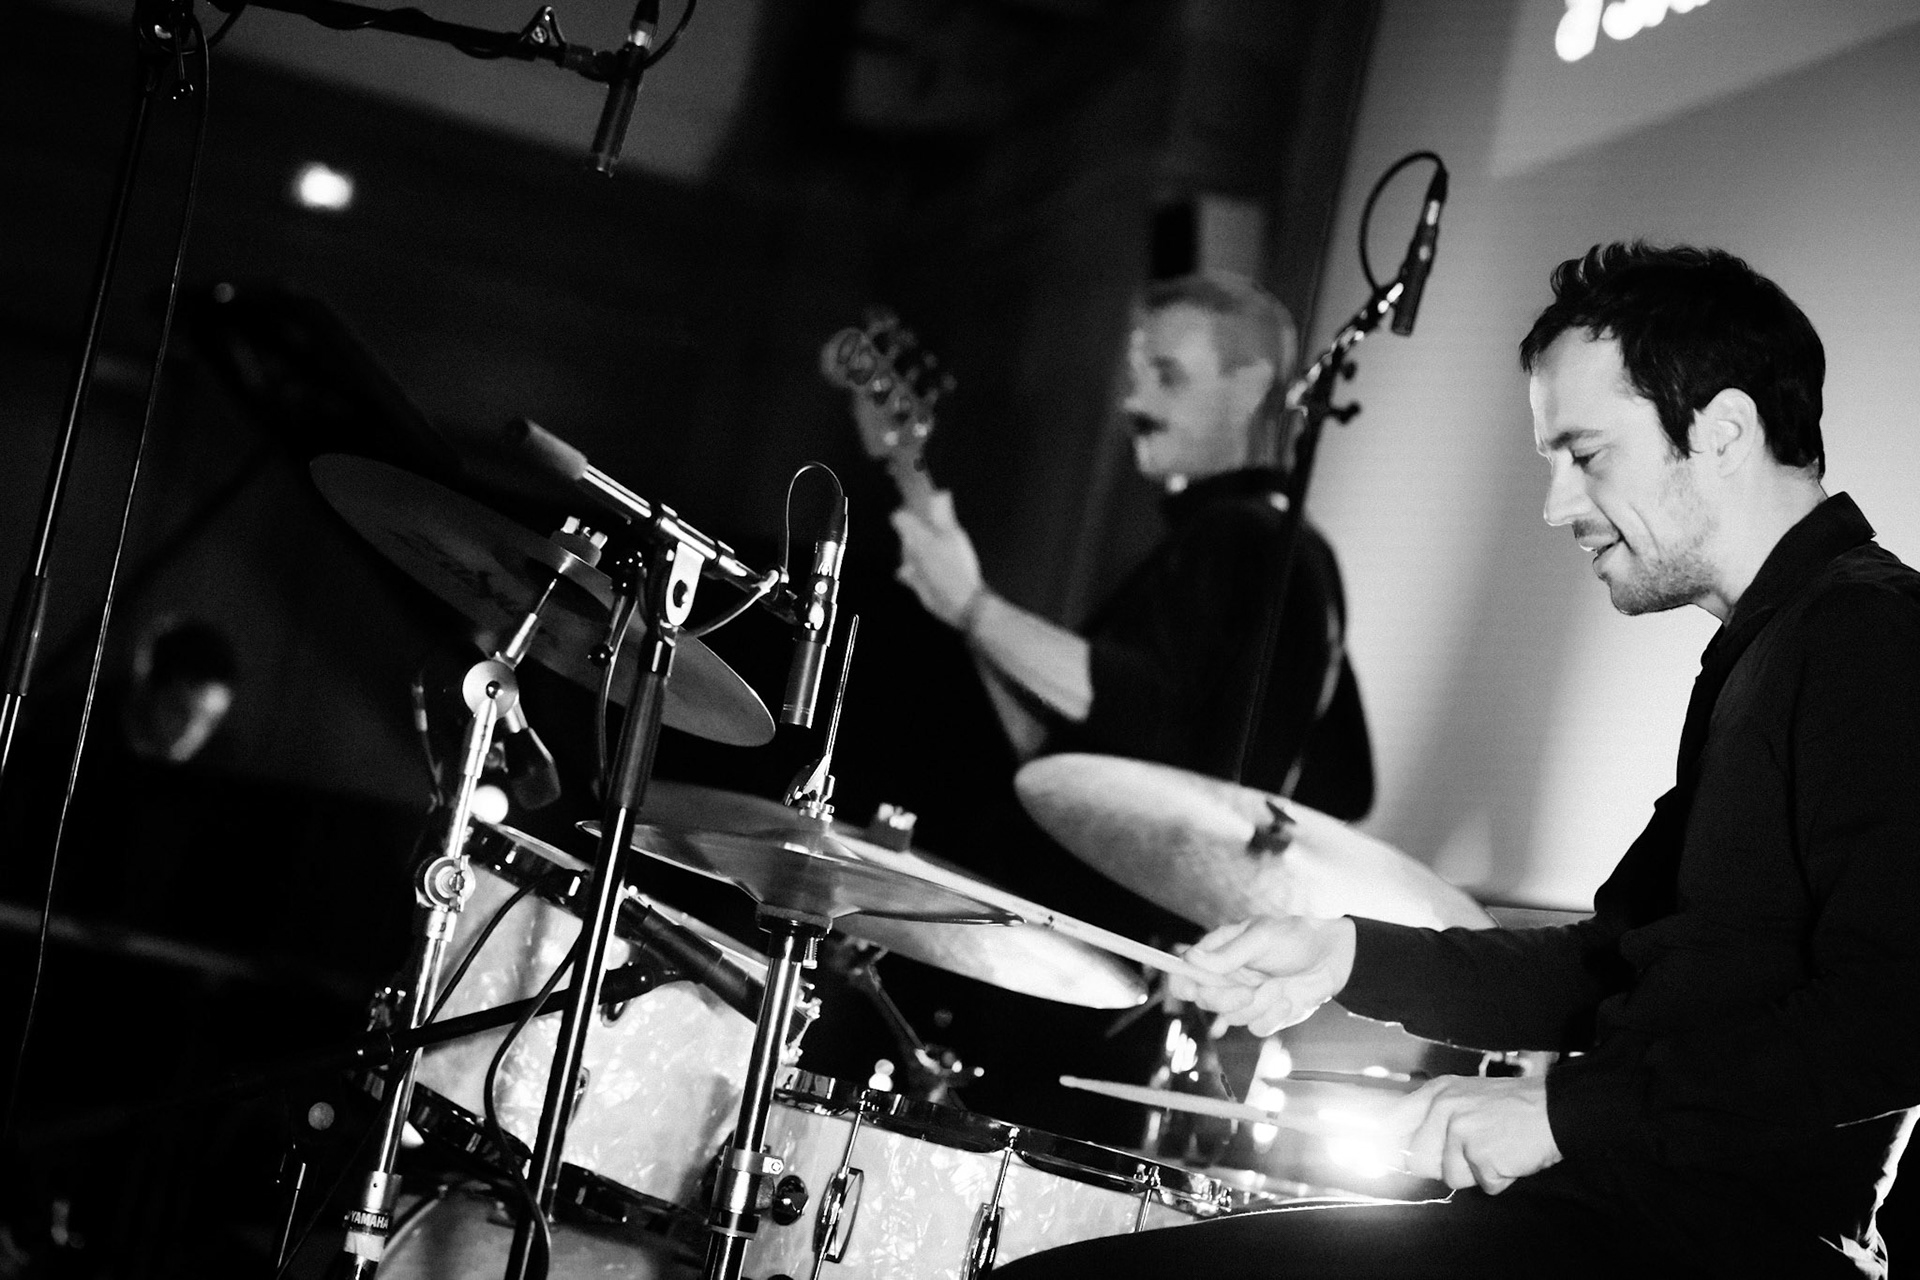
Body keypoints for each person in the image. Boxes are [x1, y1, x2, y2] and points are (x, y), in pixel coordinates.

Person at [994, 244, 1920, 1278]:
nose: (1556, 503)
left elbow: (1900, 1007)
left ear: (1726, 430)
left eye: (1587, 452)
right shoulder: (1769, 646)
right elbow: (1612, 964)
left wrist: (1566, 1109)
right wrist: (1346, 953)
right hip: (1606, 1223)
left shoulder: (1867, 635)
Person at [890, 272, 1374, 930]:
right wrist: (965, 612)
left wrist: (977, 607)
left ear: (1251, 387)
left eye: (1167, 376)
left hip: (1110, 930)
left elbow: (1135, 703)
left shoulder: (1237, 533)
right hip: (1143, 928)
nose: (1134, 401)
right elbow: (1344, 780)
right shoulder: (1286, 547)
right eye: (1136, 375)